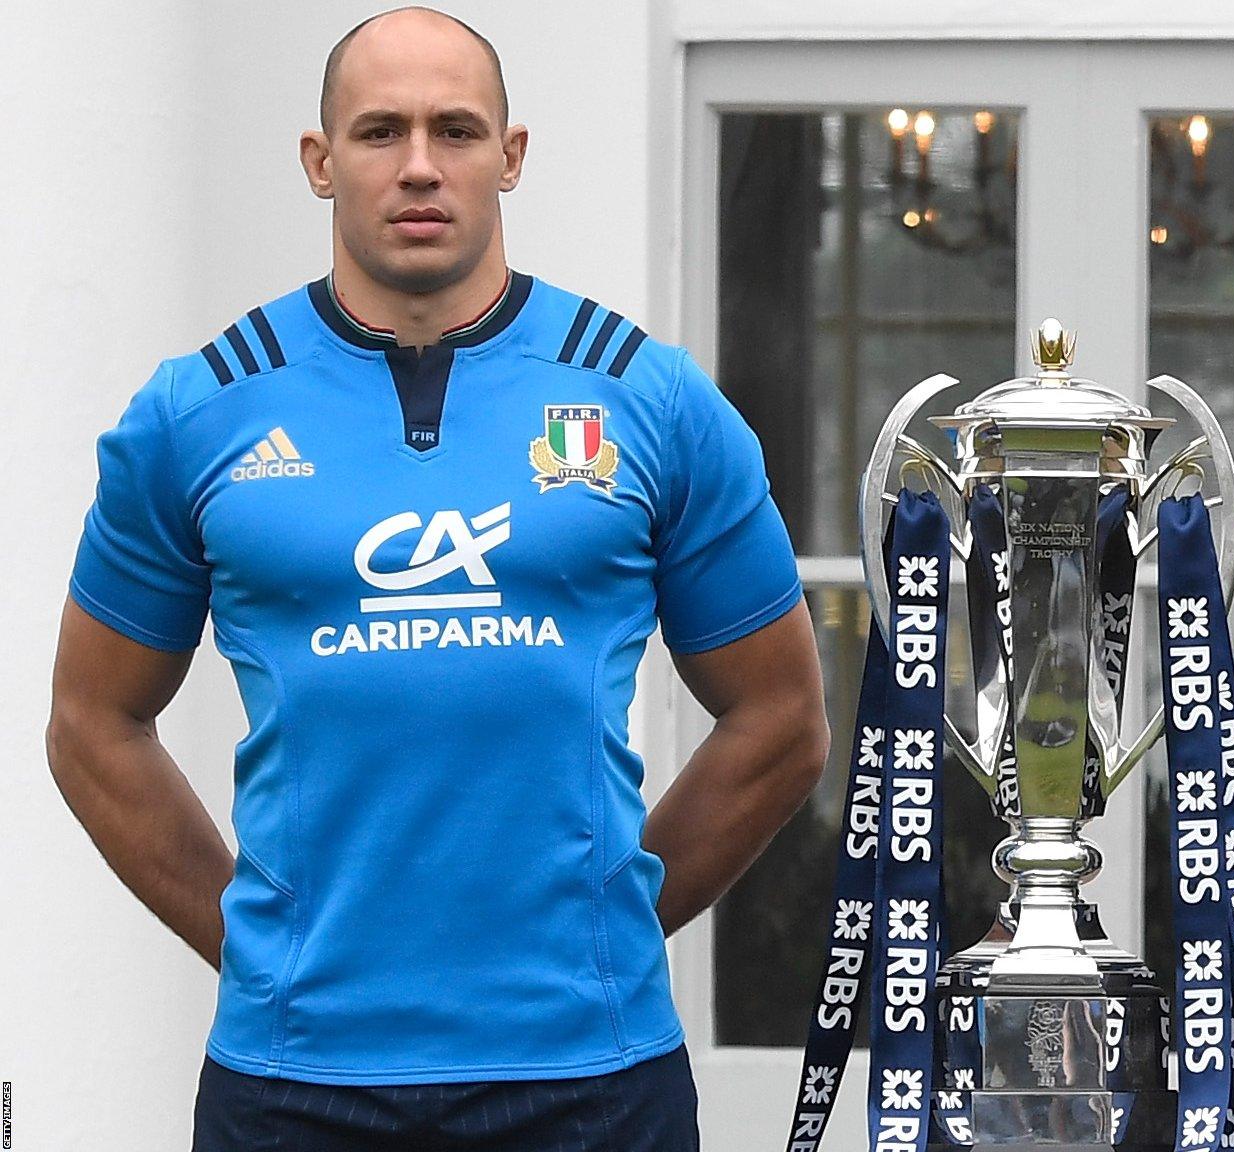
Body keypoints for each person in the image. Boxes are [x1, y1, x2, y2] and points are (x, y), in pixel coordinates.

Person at [44, 8, 828, 1150]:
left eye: (456, 129)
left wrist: (614, 926)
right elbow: (90, 721)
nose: (420, 164)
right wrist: (259, 946)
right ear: (320, 163)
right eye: (379, 132)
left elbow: (781, 718)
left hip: (590, 1081)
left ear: (510, 154)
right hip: (293, 1085)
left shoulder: (648, 401)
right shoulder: (199, 412)